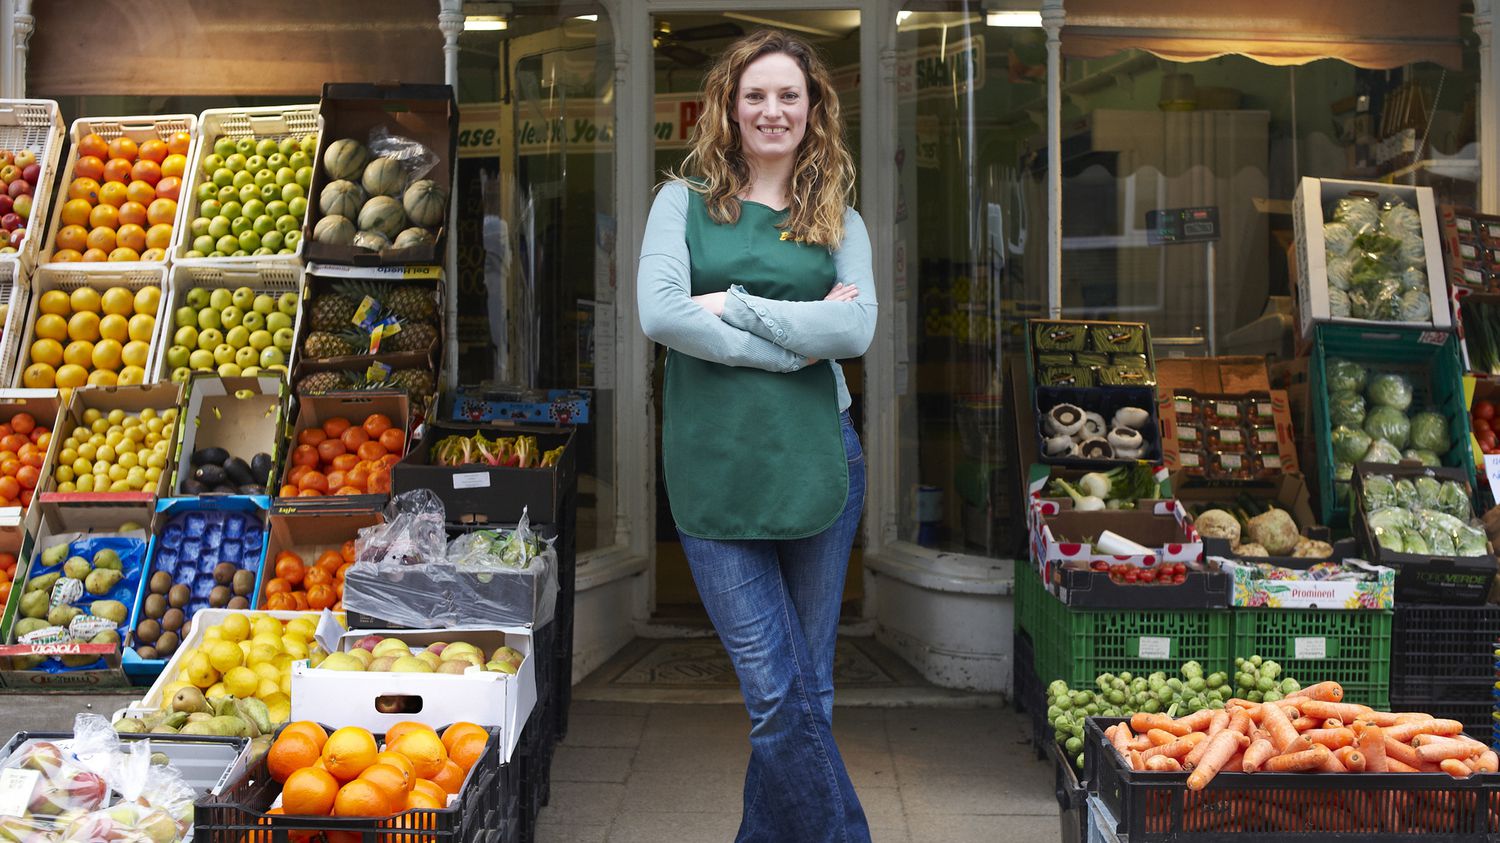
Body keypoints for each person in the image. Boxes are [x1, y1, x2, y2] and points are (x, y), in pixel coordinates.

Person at [637, 28, 877, 843]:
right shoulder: (681, 202)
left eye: (789, 96)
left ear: (814, 111)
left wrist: (733, 307)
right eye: (755, 95)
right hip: (712, 467)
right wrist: (793, 343)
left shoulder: (839, 214)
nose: (772, 110)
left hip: (818, 458)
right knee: (778, 693)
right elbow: (662, 313)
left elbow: (859, 330)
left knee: (809, 689)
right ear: (728, 109)